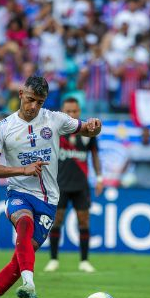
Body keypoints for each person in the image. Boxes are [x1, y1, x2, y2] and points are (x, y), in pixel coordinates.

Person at [0, 75, 102, 298]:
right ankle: (30, 282)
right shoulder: (2, 128)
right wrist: (22, 169)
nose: (34, 106)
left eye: (40, 102)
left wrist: (96, 127)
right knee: (24, 222)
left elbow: (87, 129)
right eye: (31, 99)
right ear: (21, 94)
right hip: (19, 192)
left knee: (20, 258)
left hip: (48, 200)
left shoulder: (54, 120)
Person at [44, 97, 103, 273]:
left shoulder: (87, 133)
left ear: (79, 112)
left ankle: (84, 261)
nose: (71, 114)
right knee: (57, 221)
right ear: (62, 112)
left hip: (81, 185)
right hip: (59, 184)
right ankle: (53, 259)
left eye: (74, 111)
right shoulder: (55, 130)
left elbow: (95, 155)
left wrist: (99, 178)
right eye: (68, 111)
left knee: (83, 221)